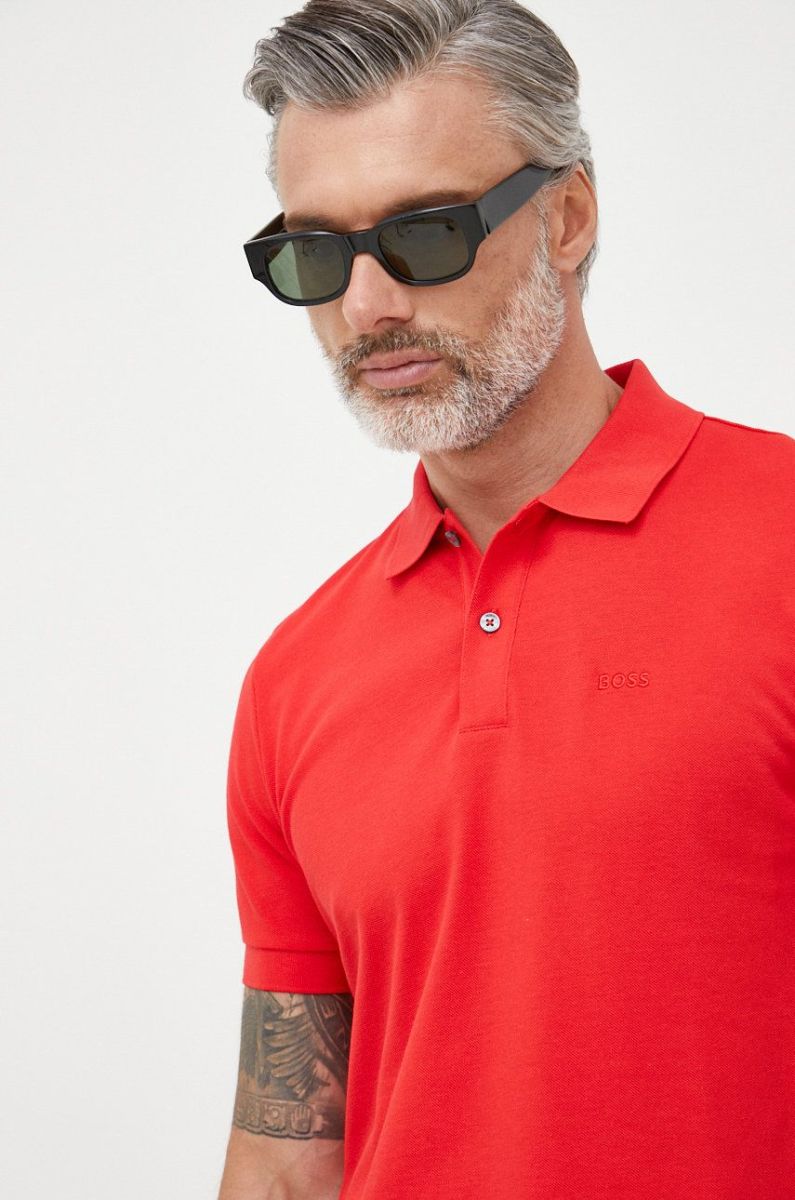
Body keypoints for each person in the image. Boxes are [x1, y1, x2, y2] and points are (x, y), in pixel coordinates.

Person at [218, 3, 795, 1198]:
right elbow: (286, 1154)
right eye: (316, 255)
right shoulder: (295, 678)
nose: (367, 308)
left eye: (424, 234)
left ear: (567, 218)